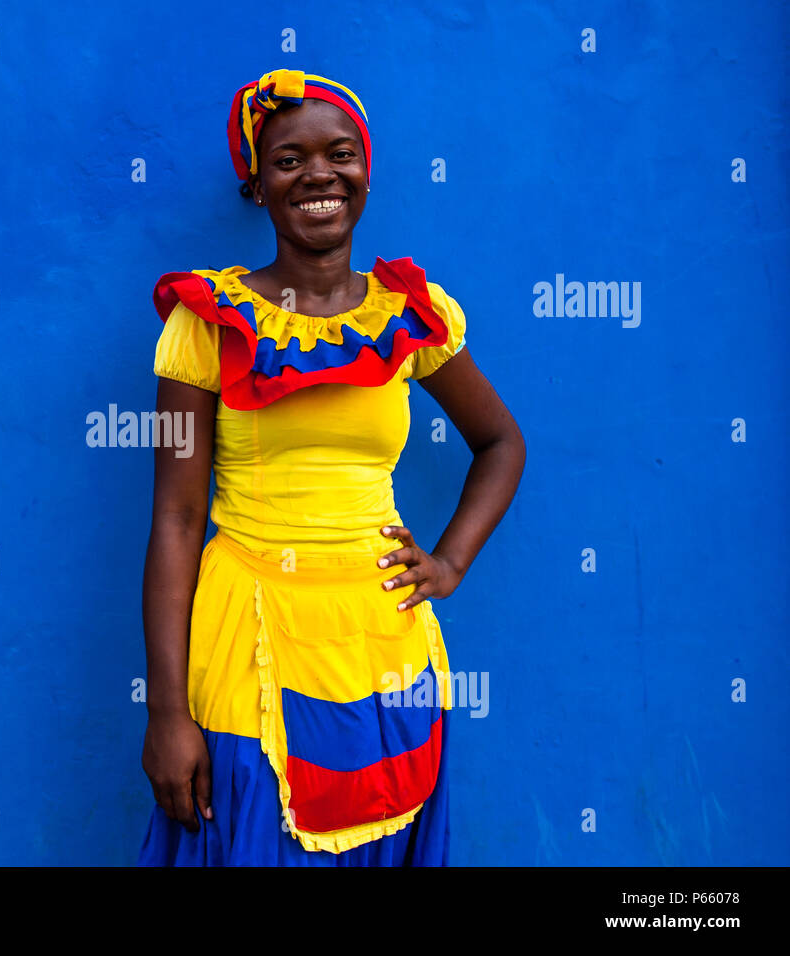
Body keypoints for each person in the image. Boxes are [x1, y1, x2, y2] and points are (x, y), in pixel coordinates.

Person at [137, 69, 526, 865]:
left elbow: (501, 442)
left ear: (365, 173)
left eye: (340, 154)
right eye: (288, 160)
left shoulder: (412, 316)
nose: (319, 174)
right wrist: (167, 714)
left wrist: (449, 561)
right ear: (255, 188)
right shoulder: (206, 324)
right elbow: (177, 520)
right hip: (248, 638)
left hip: (385, 646)